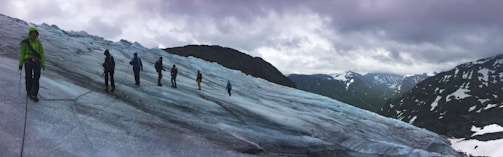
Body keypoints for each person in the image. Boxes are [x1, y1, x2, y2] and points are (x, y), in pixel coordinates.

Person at [19, 27, 45, 102]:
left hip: (37, 61)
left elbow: (42, 54)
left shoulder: (38, 43)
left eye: (35, 33)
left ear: (37, 34)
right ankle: (29, 91)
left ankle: (34, 94)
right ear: (30, 33)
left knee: (36, 77)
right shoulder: (25, 42)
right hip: (28, 61)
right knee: (28, 77)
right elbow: (22, 53)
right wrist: (20, 64)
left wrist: (43, 63)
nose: (34, 34)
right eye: (33, 33)